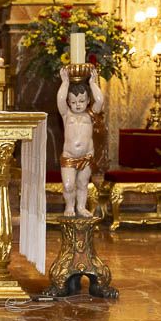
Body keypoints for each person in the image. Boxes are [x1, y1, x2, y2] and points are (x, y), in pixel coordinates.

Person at [57, 65, 104, 217]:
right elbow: (60, 100)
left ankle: (81, 207)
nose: (78, 105)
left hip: (86, 156)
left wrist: (92, 83)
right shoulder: (67, 115)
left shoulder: (90, 114)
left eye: (82, 101)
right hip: (69, 157)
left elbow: (100, 99)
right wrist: (65, 83)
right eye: (74, 102)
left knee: (83, 184)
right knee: (69, 185)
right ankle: (69, 206)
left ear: (87, 100)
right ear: (69, 103)